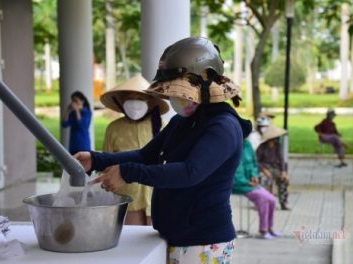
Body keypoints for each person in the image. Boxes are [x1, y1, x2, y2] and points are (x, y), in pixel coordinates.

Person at [75, 37, 252, 264]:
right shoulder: (183, 121)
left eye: (180, 91)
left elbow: (190, 173)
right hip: (174, 236)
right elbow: (145, 155)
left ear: (206, 82)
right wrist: (95, 159)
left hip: (203, 242)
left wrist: (127, 172)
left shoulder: (223, 127)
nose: (174, 98)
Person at [100, 74, 169, 225]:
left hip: (156, 197)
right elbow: (106, 165)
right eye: (129, 98)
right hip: (127, 199)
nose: (135, 103)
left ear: (149, 102)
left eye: (140, 98)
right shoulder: (114, 129)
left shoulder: (161, 126)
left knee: (157, 243)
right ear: (121, 102)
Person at [233, 139, 280, 240]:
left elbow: (254, 164)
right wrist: (247, 182)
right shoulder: (233, 145)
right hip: (238, 184)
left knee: (271, 199)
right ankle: (263, 230)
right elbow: (235, 173)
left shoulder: (247, 144)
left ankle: (269, 227)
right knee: (262, 198)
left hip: (250, 182)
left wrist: (254, 175)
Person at [256, 125, 290, 211]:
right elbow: (256, 161)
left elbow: (282, 160)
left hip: (276, 169)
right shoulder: (261, 147)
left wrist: (284, 172)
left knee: (284, 180)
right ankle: (265, 203)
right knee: (265, 180)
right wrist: (264, 170)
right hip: (265, 169)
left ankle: (283, 203)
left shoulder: (278, 146)